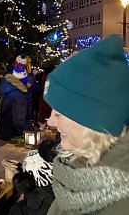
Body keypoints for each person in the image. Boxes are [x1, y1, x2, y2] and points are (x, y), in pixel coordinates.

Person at [44, 34, 129, 215]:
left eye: (58, 113)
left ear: (93, 120)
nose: (50, 122)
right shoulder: (79, 166)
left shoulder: (121, 204)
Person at [0, 63, 28, 139]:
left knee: (6, 119)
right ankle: (19, 137)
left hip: (6, 98)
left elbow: (1, 88)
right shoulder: (22, 79)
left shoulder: (6, 78)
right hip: (19, 98)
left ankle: (6, 138)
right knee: (18, 119)